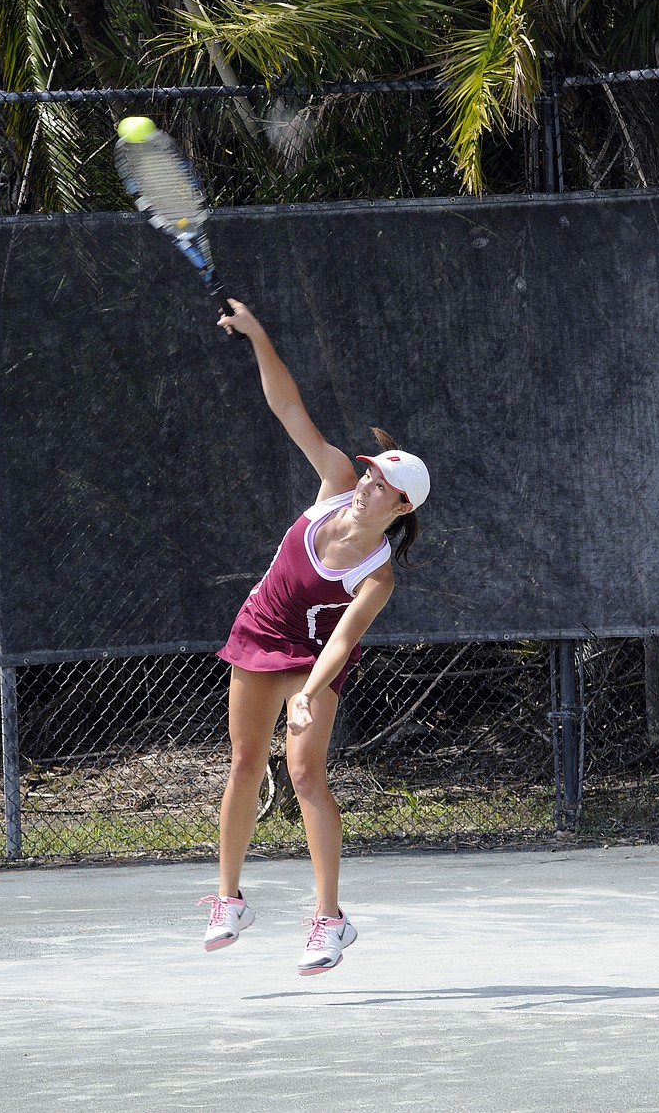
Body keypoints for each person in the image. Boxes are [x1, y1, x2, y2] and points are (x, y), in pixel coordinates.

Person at [198, 298, 430, 976]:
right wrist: (258, 337)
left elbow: (341, 643)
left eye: (381, 484)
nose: (366, 484)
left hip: (313, 656)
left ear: (401, 508)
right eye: (369, 472)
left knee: (303, 773)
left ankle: (330, 920)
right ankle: (228, 900)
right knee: (244, 764)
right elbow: (288, 408)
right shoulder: (333, 484)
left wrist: (308, 691)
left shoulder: (377, 576)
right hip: (257, 629)